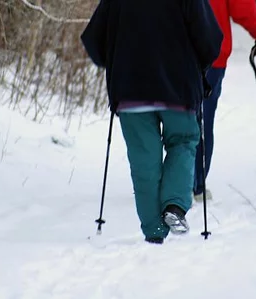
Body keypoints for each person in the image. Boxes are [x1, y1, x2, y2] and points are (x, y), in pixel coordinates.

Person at [81, 0, 223, 244]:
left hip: (130, 91)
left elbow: (94, 42)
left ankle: (154, 230)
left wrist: (118, 59)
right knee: (183, 141)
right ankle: (175, 206)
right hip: (178, 88)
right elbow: (210, 42)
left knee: (143, 160)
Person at [193, 0, 256, 202]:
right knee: (202, 117)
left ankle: (168, 182)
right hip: (211, 54)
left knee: (171, 115)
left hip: (169, 54)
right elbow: (242, 6)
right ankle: (196, 184)